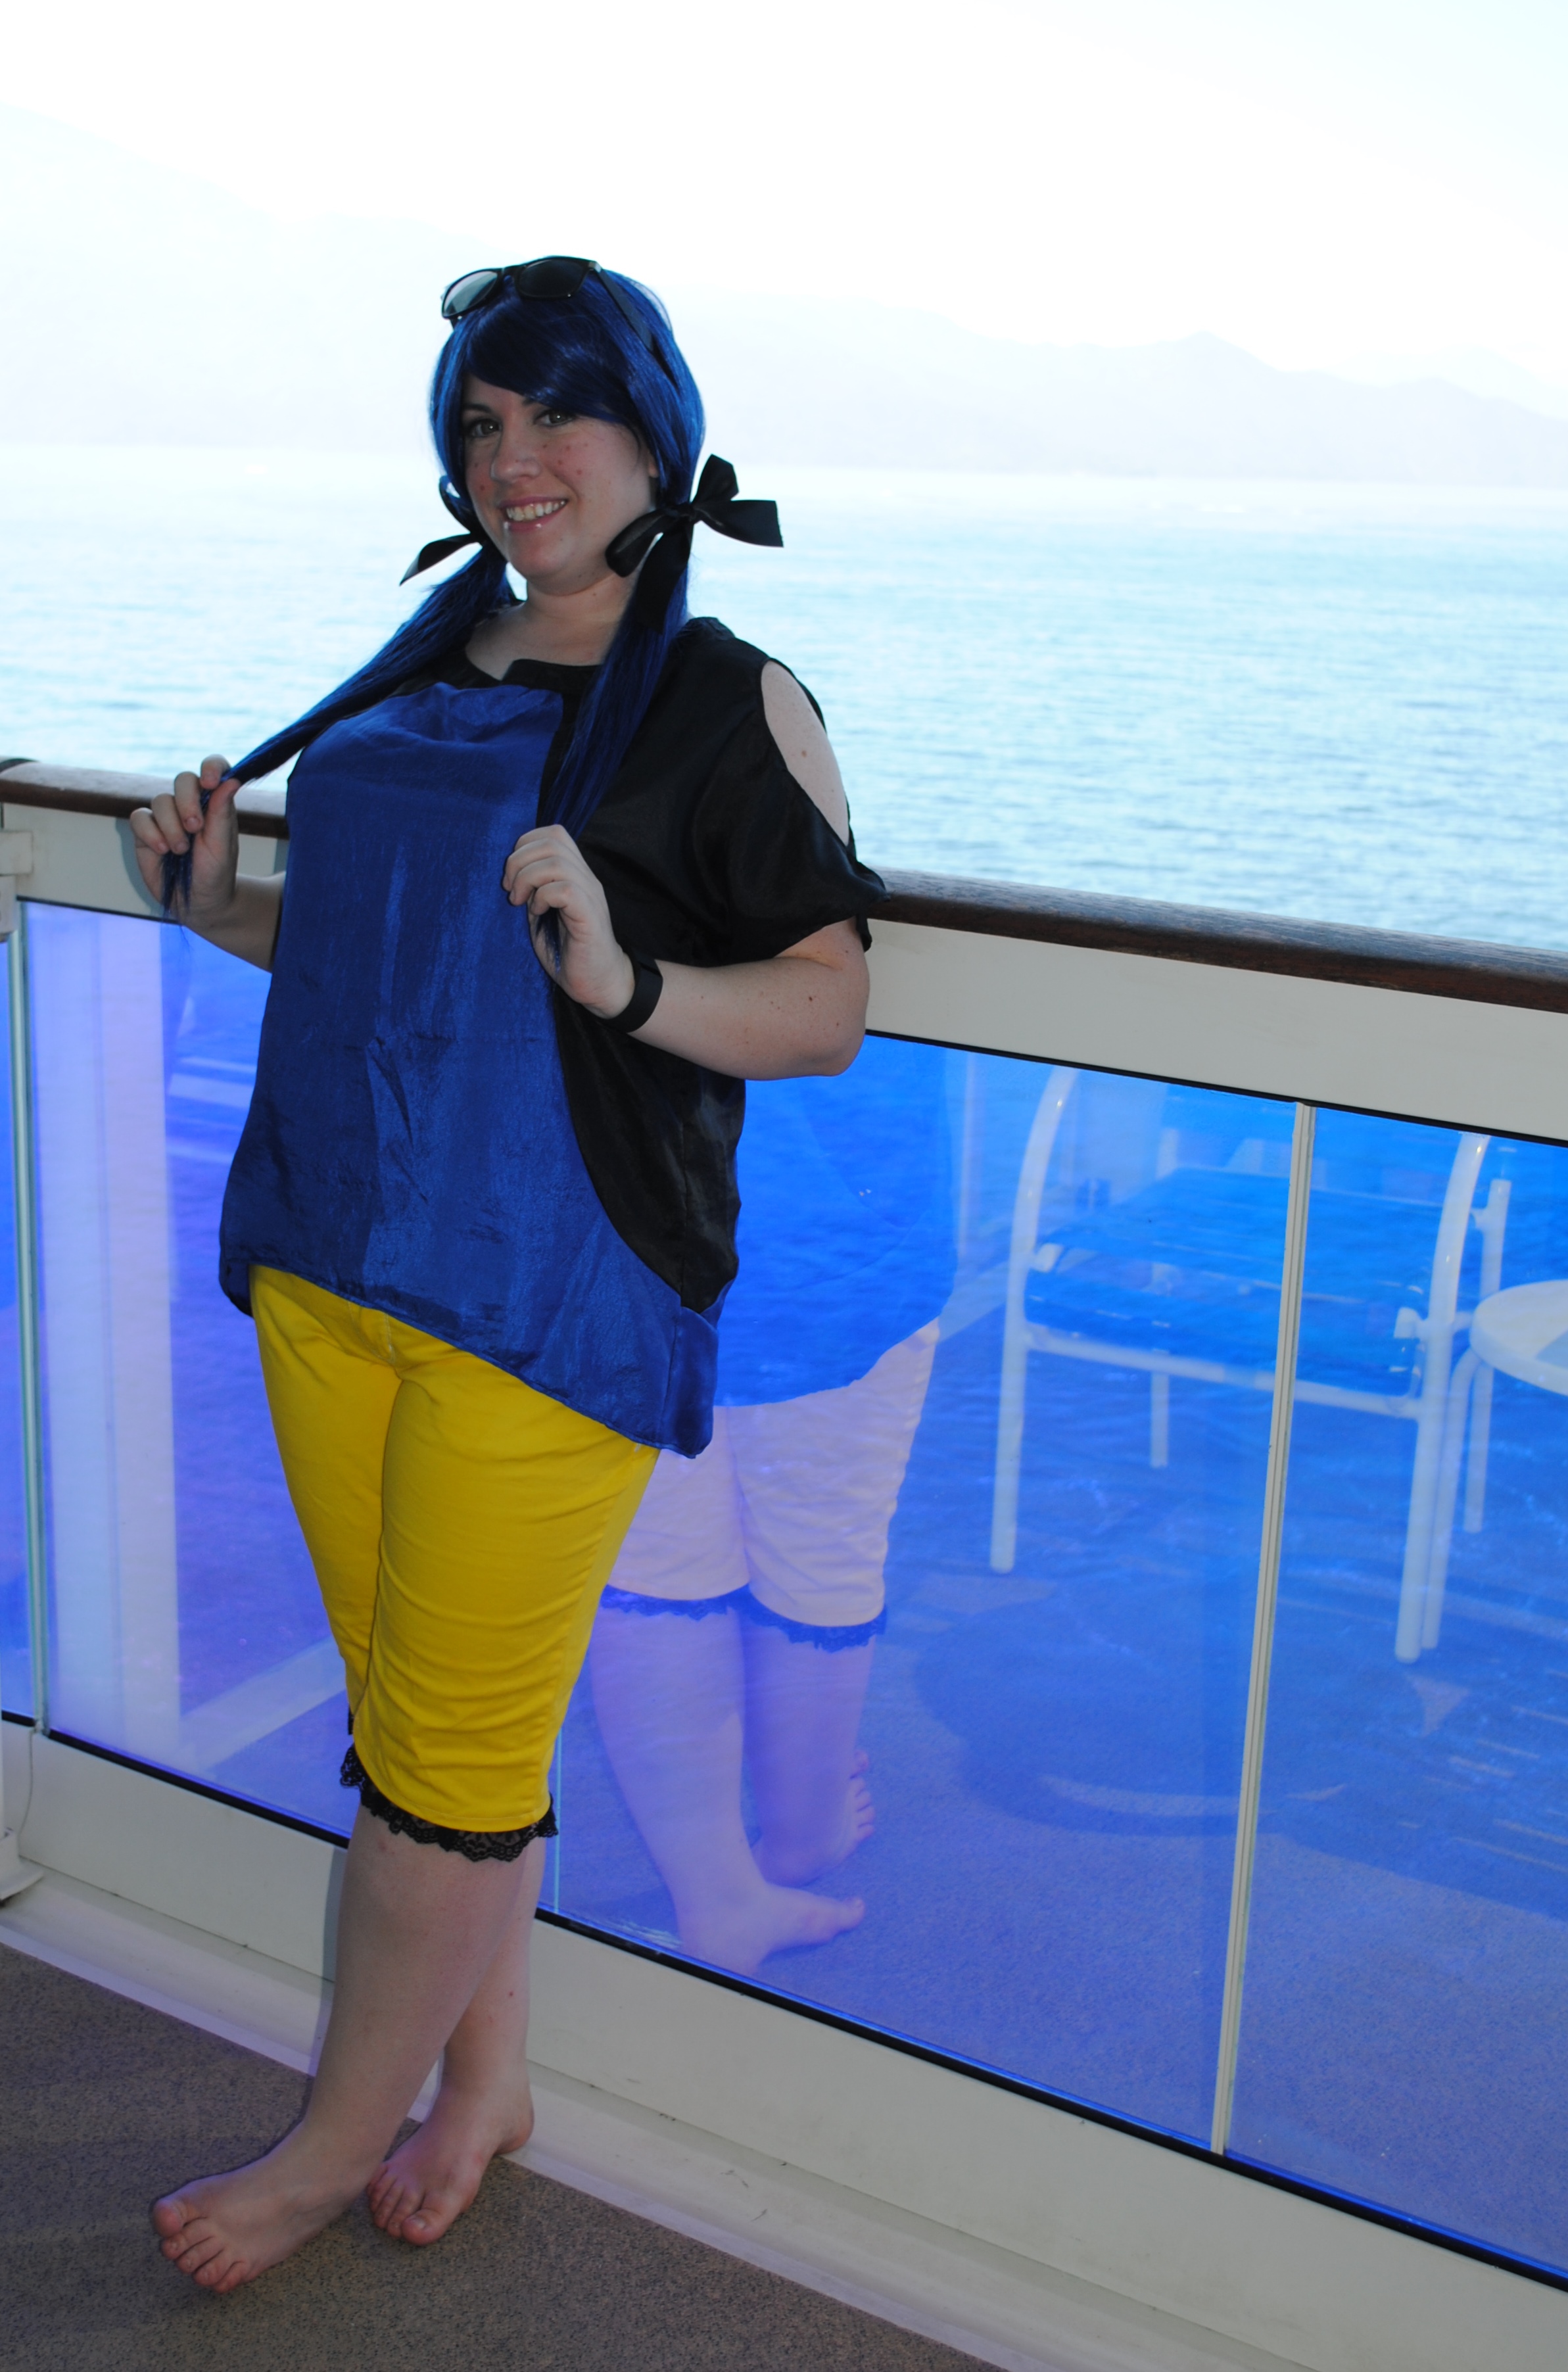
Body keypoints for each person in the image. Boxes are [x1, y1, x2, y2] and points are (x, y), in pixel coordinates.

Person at [128, 256, 881, 2292]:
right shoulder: (422, 657)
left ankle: (327, 2146)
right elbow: (364, 953)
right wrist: (213, 900)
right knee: (430, 1740)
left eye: (555, 412)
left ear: (655, 433)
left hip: (551, 1297)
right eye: (479, 422)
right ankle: (489, 2086)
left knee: (444, 1767)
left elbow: (824, 1008)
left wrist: (628, 981)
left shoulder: (727, 700)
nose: (513, 457)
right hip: (333, 1262)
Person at [588, 1041, 955, 1977]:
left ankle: (715, 1891)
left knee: (655, 1555)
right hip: (834, 1215)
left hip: (628, 1181)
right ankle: (801, 1830)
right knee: (820, 1539)